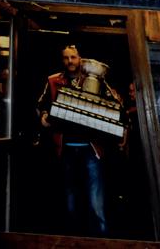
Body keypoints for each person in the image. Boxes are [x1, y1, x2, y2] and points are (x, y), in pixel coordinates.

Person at [38, 44, 115, 237]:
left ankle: (100, 241)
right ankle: (72, 239)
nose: (70, 61)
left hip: (91, 148)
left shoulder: (96, 80)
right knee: (70, 196)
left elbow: (115, 104)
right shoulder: (53, 80)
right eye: (66, 58)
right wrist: (44, 116)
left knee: (95, 198)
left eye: (73, 57)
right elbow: (41, 105)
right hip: (65, 148)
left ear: (80, 58)